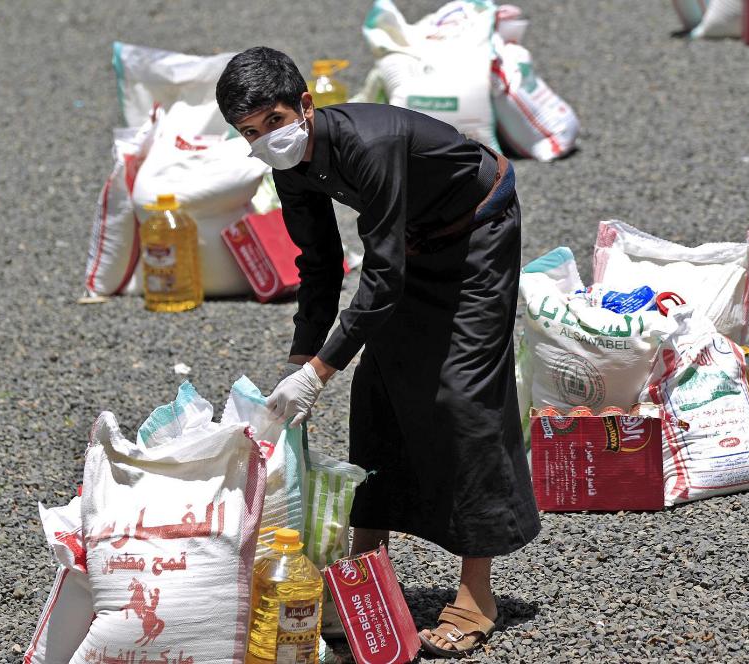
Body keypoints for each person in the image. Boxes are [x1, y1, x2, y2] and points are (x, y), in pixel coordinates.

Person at [216, 47, 540, 658]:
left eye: (276, 121)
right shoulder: (288, 167)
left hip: (475, 233)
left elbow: (381, 279)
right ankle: (366, 576)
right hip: (411, 239)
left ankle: (478, 594)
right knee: (378, 392)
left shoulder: (369, 142)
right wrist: (298, 359)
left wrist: (319, 371)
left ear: (307, 106)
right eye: (250, 133)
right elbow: (319, 265)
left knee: (463, 397)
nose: (267, 140)